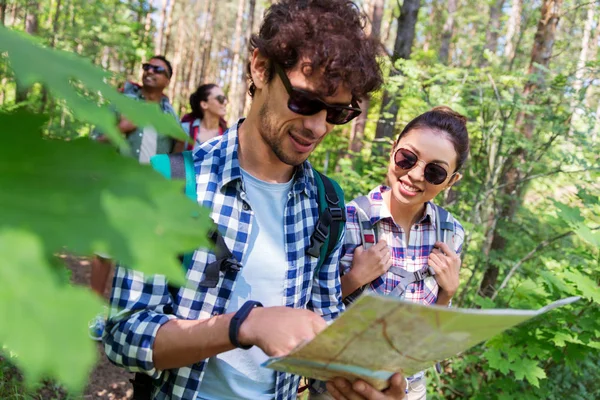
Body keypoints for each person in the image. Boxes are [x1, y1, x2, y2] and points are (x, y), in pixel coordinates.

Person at [103, 1, 407, 399]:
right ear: (260, 68)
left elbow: (321, 331)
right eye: (304, 101)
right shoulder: (171, 182)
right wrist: (242, 326)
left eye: (336, 113)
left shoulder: (327, 204)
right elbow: (125, 335)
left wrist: (353, 381)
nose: (317, 127)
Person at [335, 107, 469, 399]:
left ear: (451, 181)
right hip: (342, 385)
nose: (414, 175)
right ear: (393, 148)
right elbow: (314, 312)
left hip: (409, 387)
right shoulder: (345, 220)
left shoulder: (451, 232)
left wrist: (448, 293)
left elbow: (431, 332)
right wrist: (354, 279)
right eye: (407, 158)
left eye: (435, 172)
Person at [88, 55, 179, 341]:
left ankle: (118, 317)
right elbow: (94, 142)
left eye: (157, 69)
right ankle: (92, 312)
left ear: (167, 79)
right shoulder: (122, 103)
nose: (149, 72)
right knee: (104, 251)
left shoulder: (170, 116)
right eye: (146, 68)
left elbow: (175, 157)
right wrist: (121, 129)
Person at [178, 83, 228, 151]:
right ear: (204, 104)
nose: (225, 102)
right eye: (220, 98)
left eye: (225, 98)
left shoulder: (228, 135)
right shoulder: (184, 130)